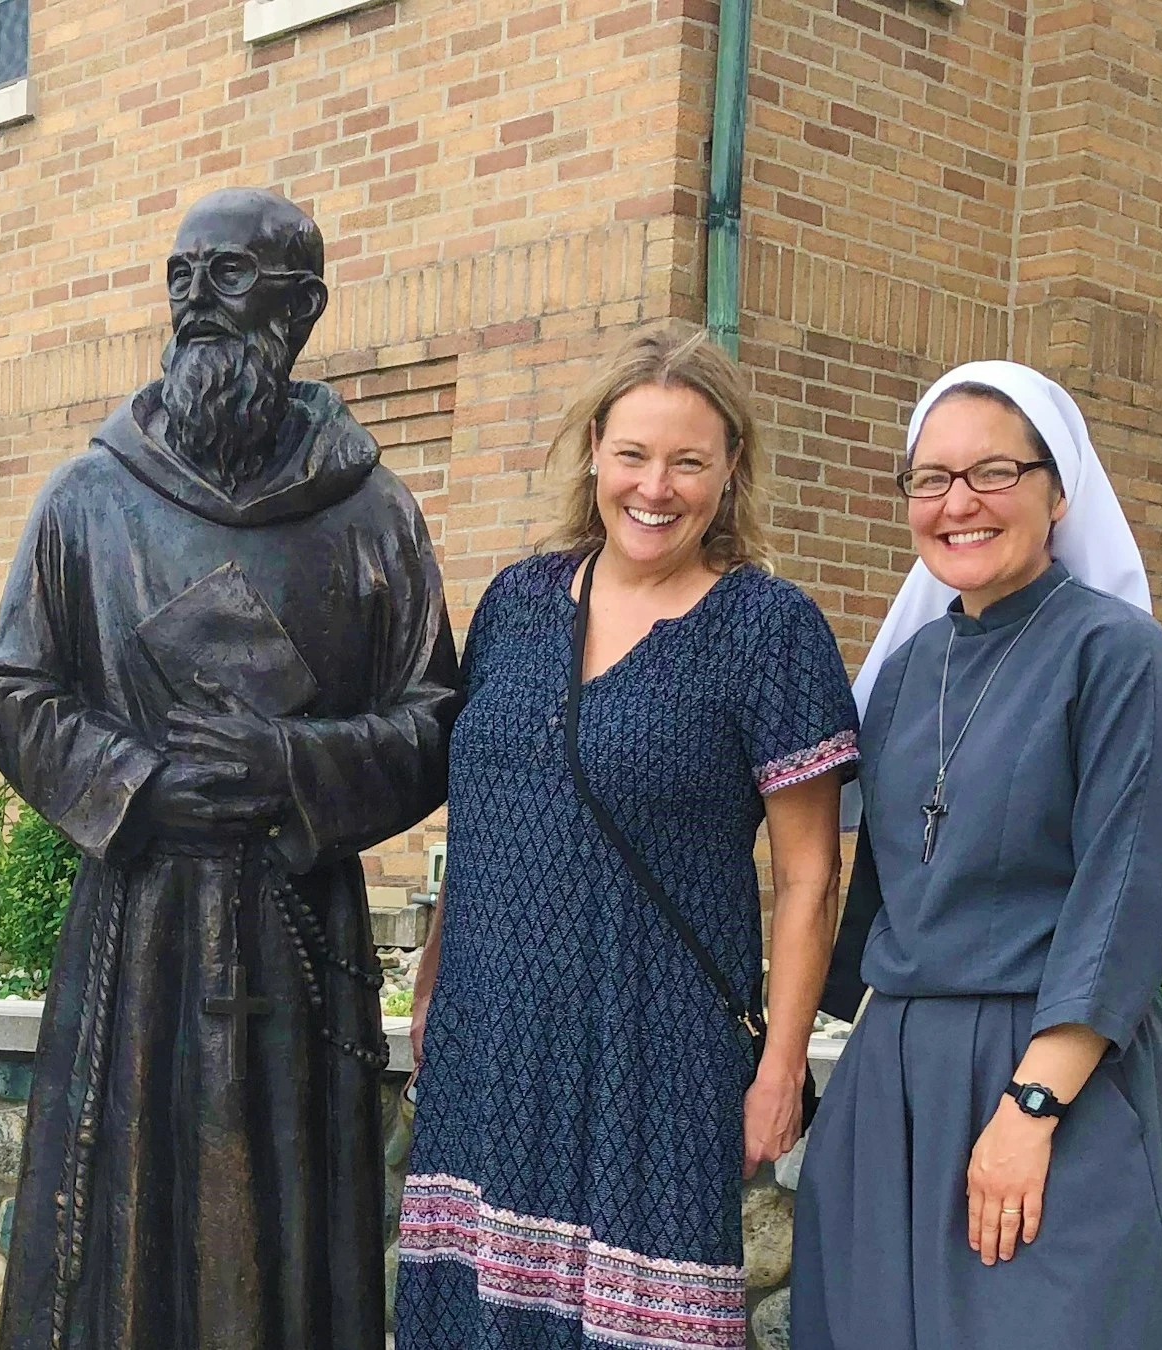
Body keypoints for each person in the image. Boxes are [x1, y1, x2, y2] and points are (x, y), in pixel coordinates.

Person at [0, 187, 461, 1350]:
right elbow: (17, 692)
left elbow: (438, 718)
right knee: (123, 1237)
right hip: (138, 924)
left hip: (298, 930)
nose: (198, 302)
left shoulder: (374, 515)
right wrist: (138, 783)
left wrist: (289, 764)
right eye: (182, 276)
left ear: (301, 308)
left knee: (292, 1225)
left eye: (230, 276)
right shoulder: (88, 499)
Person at [397, 324, 858, 1350]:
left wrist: (781, 1065)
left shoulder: (768, 630)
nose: (658, 487)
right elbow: (483, 816)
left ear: (730, 470)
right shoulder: (517, 604)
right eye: (636, 454)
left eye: (690, 461)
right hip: (492, 1031)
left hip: (655, 1052)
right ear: (596, 451)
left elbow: (809, 876)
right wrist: (434, 978)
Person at [791, 361, 1162, 1349]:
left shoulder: (1122, 659)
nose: (958, 504)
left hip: (1055, 1084)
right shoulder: (902, 676)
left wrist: (1030, 1108)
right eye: (931, 479)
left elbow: (1126, 896)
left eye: (994, 473)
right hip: (895, 1082)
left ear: (1058, 490)